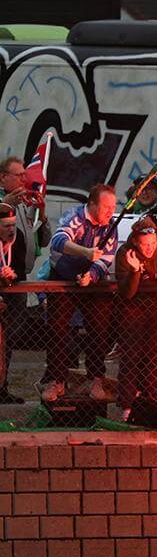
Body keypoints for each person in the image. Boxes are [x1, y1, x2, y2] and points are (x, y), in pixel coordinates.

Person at [43, 184, 119, 402]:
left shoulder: (110, 226)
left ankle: (95, 378)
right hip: (63, 278)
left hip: (92, 282)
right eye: (106, 207)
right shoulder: (75, 217)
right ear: (92, 204)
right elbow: (58, 241)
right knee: (58, 330)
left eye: (113, 207)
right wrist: (85, 252)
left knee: (99, 328)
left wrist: (91, 275)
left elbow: (106, 259)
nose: (110, 212)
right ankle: (56, 380)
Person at [113, 218, 157, 421]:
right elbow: (127, 292)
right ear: (135, 241)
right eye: (145, 244)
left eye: (153, 243)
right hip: (132, 307)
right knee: (130, 356)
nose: (150, 248)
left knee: (154, 356)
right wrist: (135, 271)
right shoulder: (125, 254)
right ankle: (126, 405)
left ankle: (151, 400)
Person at [0, 203, 29, 403]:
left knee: (9, 340)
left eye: (12, 224)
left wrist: (13, 274)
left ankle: (2, 386)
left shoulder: (17, 237)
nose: (11, 229)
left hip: (13, 294)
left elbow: (21, 265)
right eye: (6, 226)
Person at [0, 156, 50, 271]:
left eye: (24, 175)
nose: (24, 180)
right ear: (3, 177)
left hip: (21, 272)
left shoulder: (23, 204)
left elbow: (45, 241)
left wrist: (41, 215)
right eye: (19, 175)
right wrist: (4, 206)